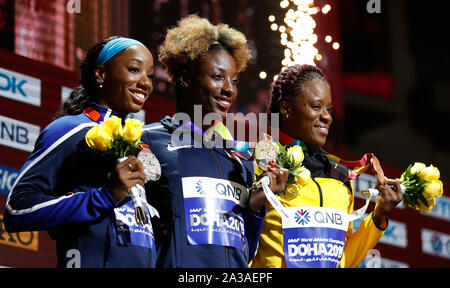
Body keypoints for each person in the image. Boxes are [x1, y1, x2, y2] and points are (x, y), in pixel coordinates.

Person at [141, 15, 288, 268]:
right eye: (218, 77)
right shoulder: (149, 141)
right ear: (186, 78)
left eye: (234, 80)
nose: (230, 89)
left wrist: (254, 206)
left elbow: (245, 250)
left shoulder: (239, 161)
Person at [4, 36, 157, 268]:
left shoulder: (138, 143)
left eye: (150, 75)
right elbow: (17, 209)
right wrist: (104, 196)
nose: (145, 82)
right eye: (134, 69)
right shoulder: (70, 129)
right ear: (101, 74)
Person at [250, 64, 403, 268]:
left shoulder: (340, 177)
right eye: (316, 106)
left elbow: (343, 260)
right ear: (286, 108)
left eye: (329, 109)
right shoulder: (260, 165)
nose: (327, 117)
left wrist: (379, 215)